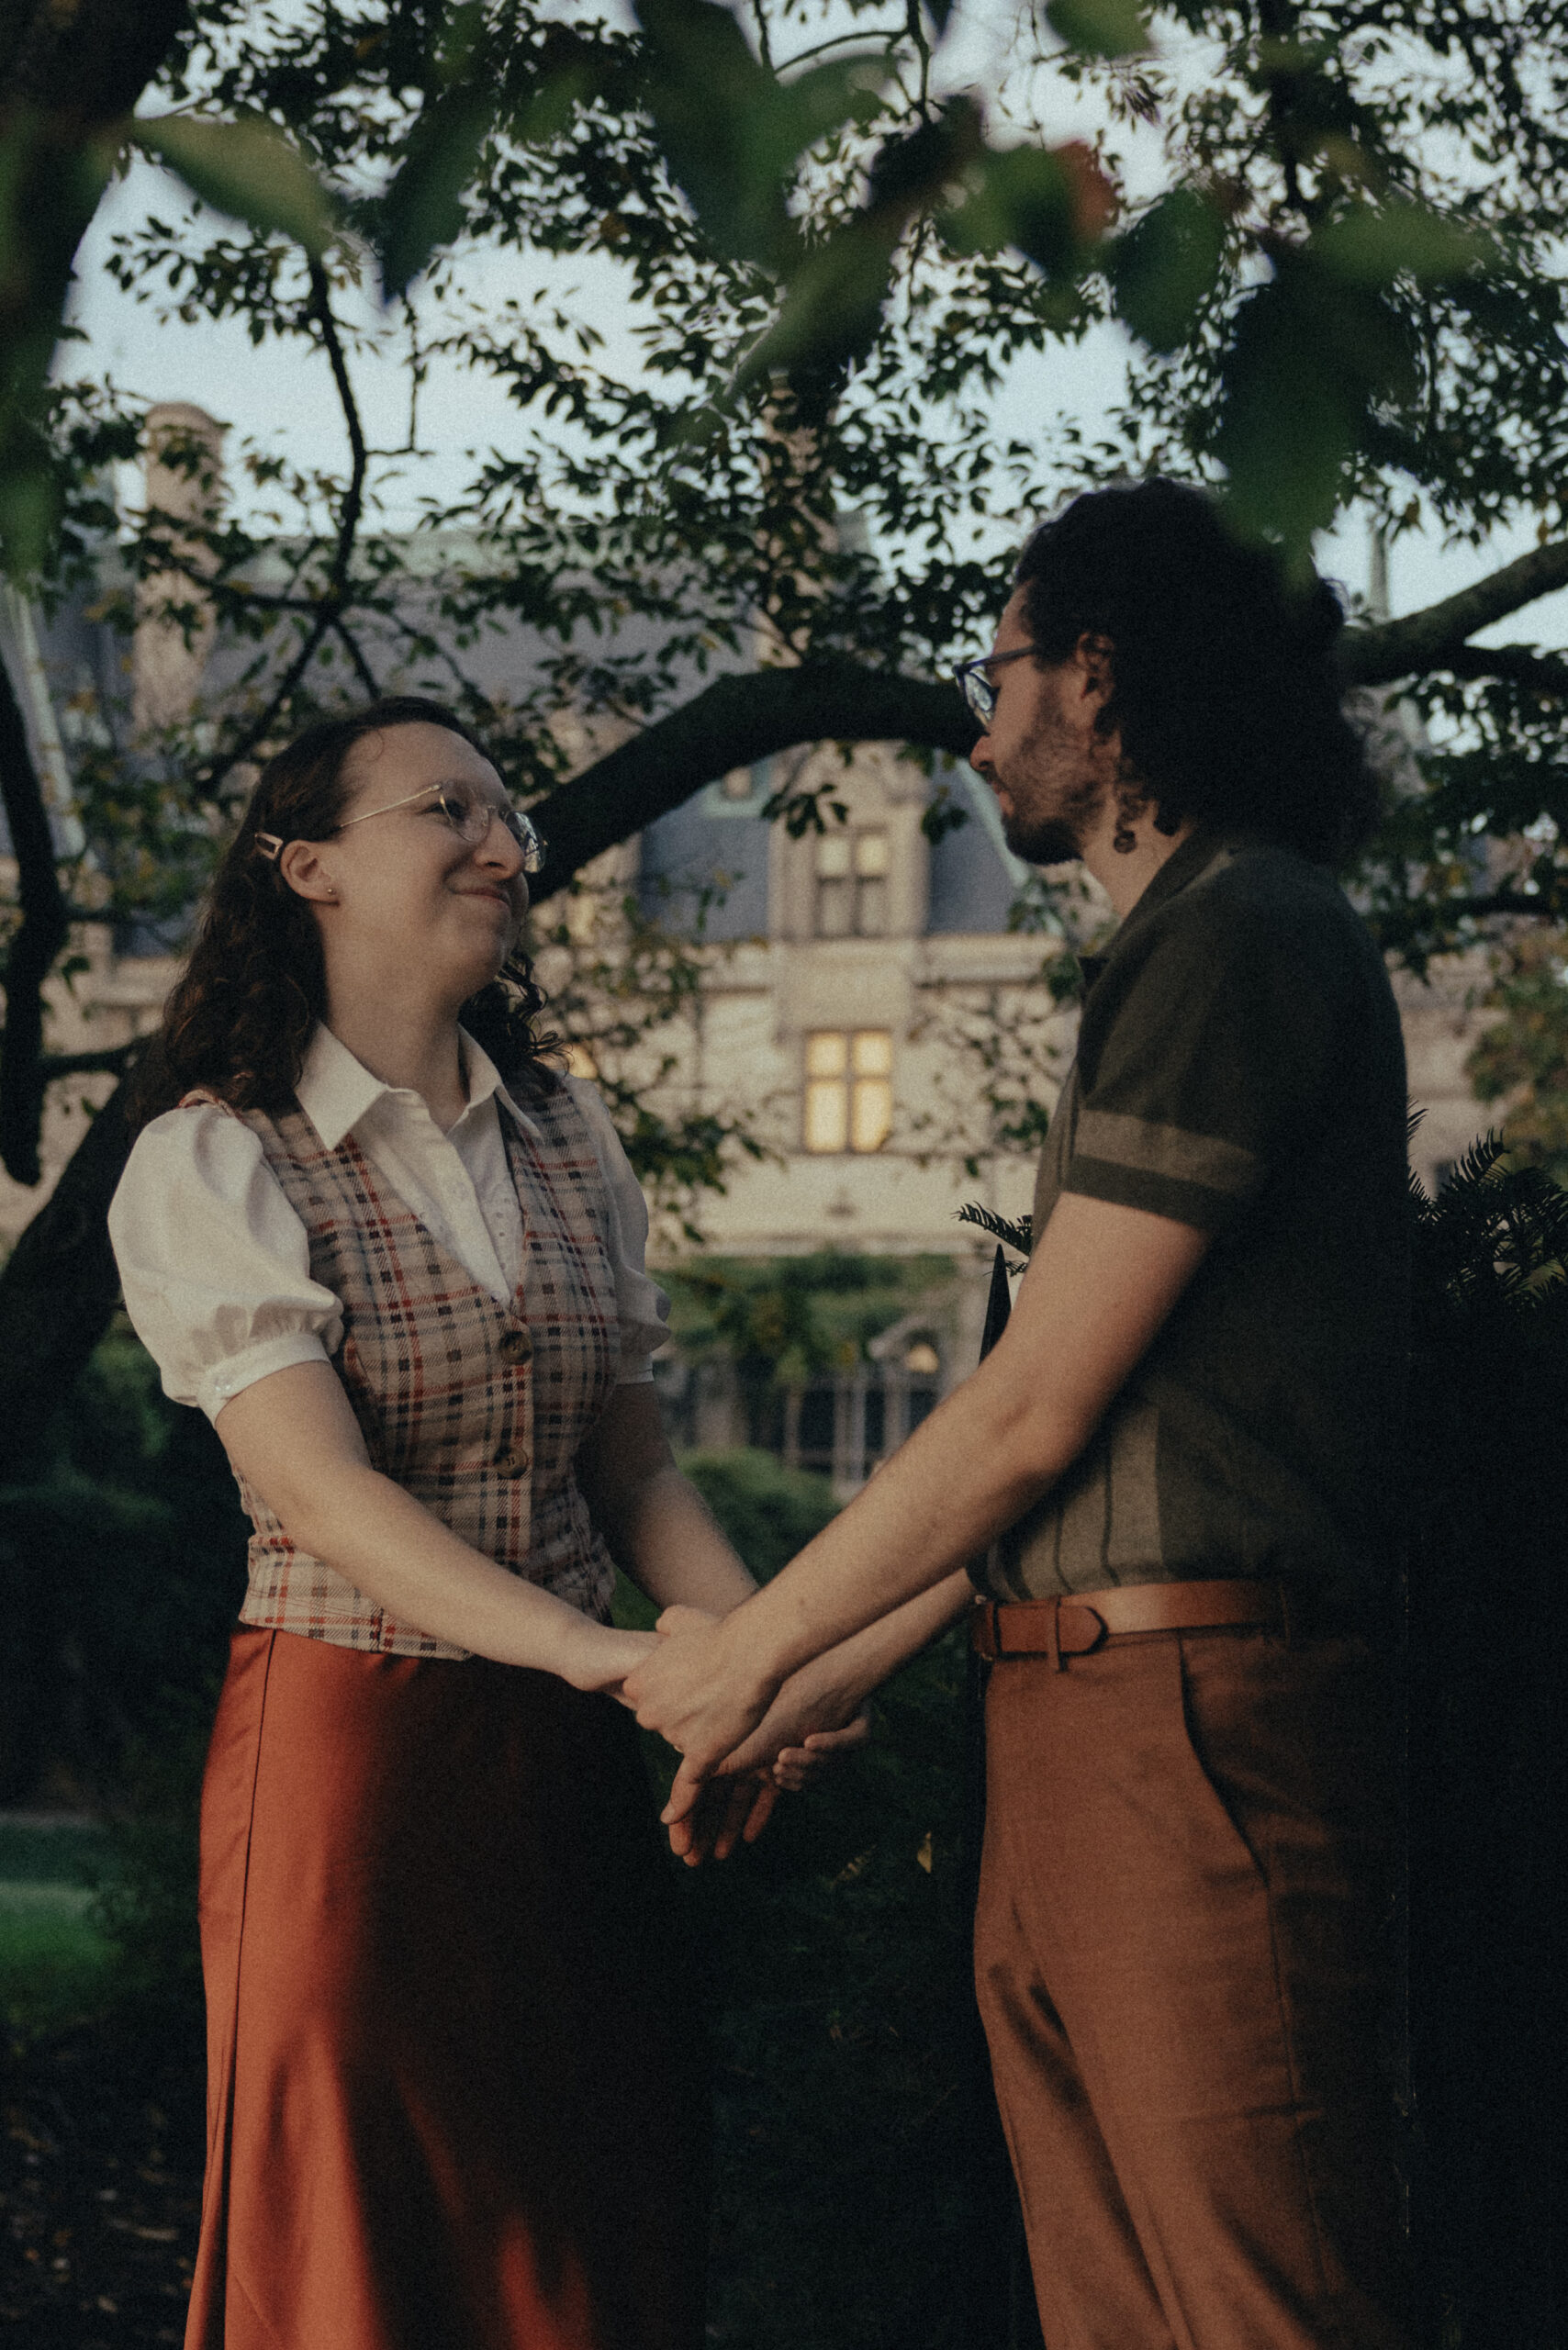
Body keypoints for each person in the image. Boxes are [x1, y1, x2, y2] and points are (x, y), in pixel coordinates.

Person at [625, 482, 1414, 2349]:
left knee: (1253, 2305)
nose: (976, 737)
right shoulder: (1175, 947)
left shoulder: (1238, 931)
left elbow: (1027, 1413)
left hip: (1184, 1726)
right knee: (1113, 2310)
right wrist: (806, 1682)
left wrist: (749, 1652)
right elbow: (1054, 1464)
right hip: (1077, 1714)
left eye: (997, 676)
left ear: (1097, 678)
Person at [107, 695, 863, 2350]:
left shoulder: (568, 1137)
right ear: (306, 866)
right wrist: (620, 1660)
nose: (504, 848)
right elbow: (326, 1494)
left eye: (509, 818)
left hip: (568, 1770)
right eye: (447, 809)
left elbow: (635, 1476)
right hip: (353, 1770)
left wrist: (762, 1667)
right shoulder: (212, 1159)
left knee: (581, 2216)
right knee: (365, 2242)